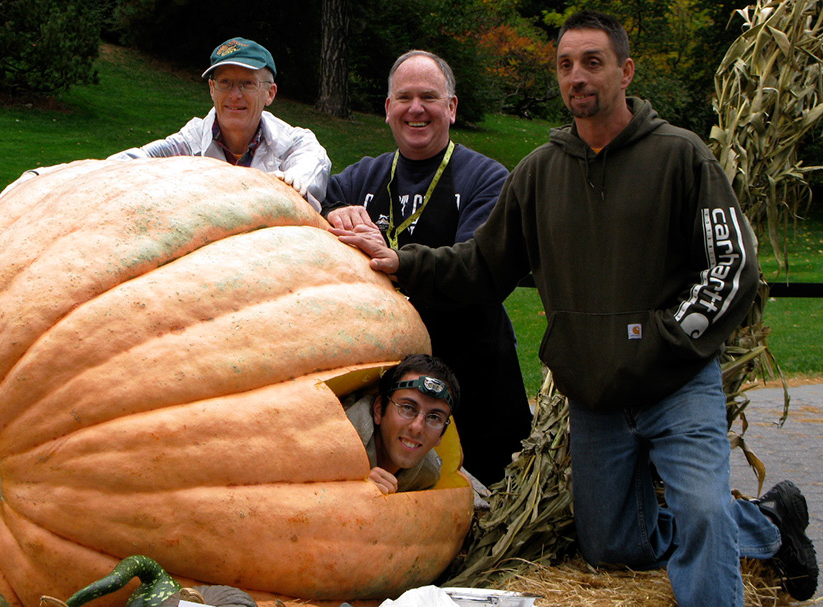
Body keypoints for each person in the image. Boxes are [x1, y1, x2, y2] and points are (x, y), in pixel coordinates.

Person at [331, 10, 818, 606]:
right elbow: (479, 266)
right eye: (566, 65)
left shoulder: (680, 156)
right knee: (610, 545)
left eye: (593, 62)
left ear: (625, 71)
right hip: (597, 399)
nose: (577, 76)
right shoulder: (541, 173)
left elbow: (732, 264)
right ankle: (769, 524)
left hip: (677, 384)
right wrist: (401, 262)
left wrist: (667, 339)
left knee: (699, 512)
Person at [322, 50, 530, 486]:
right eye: (404, 98)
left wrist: (398, 261)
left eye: (429, 97)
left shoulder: (487, 179)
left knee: (476, 508)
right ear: (388, 109)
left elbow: (477, 271)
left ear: (451, 108)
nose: (415, 109)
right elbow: (317, 207)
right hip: (389, 391)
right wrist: (335, 212)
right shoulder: (362, 178)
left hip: (476, 386)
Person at [107, 37, 331, 210]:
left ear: (270, 93)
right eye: (225, 83)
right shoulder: (190, 141)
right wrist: (85, 173)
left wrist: (292, 185)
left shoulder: (294, 143)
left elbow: (311, 167)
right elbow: (133, 163)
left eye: (247, 83)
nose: (235, 95)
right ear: (212, 89)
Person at [344, 354, 459, 494]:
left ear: (442, 435)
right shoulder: (336, 439)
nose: (417, 427)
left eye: (434, 417)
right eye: (407, 408)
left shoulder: (426, 476)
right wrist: (350, 489)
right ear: (379, 410)